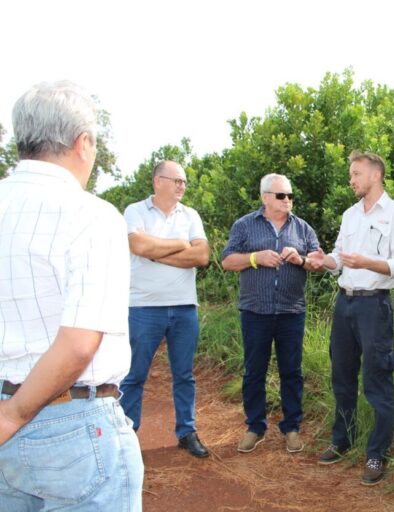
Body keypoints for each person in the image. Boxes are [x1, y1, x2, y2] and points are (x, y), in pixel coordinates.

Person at [0, 81, 143, 509]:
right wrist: (14, 414)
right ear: (83, 143)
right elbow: (80, 343)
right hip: (73, 426)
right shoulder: (90, 215)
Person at [313, 151, 394, 486]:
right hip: (345, 304)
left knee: (377, 379)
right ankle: (342, 440)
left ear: (375, 175)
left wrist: (367, 263)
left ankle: (376, 454)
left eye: (356, 174)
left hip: (374, 306)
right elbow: (339, 258)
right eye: (351, 174)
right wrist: (321, 260)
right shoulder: (350, 214)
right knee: (342, 376)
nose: (351, 180)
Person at [221, 173, 321, 454]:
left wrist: (300, 259)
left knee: (292, 371)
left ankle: (291, 428)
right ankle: (255, 427)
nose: (287, 200)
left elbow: (319, 261)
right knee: (254, 371)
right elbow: (227, 260)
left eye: (290, 196)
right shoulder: (244, 226)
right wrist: (256, 258)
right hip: (255, 311)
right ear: (265, 197)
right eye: (281, 196)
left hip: (291, 311)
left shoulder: (302, 228)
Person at [121, 160, 211, 458]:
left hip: (185, 308)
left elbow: (201, 255)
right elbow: (139, 248)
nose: (182, 186)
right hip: (144, 307)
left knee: (184, 374)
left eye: (184, 181)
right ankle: (127, 434)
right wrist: (179, 245)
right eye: (177, 180)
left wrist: (158, 253)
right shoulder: (135, 211)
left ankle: (186, 432)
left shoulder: (191, 214)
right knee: (135, 374)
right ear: (158, 181)